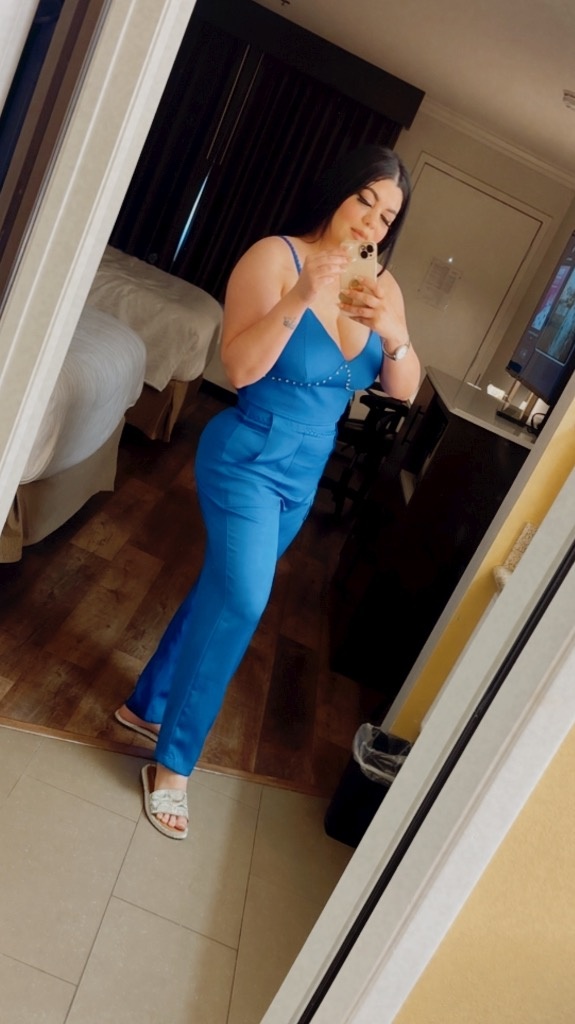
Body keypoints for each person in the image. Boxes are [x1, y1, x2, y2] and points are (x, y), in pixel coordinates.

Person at [115, 144, 421, 839]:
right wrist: (302, 295)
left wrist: (396, 333)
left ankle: (145, 705)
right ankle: (172, 765)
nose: (372, 221)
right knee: (244, 599)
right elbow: (240, 369)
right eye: (365, 200)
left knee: (222, 590)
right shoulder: (273, 257)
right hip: (247, 454)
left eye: (387, 215)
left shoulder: (383, 285)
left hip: (304, 472)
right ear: (339, 192)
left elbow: (401, 390)